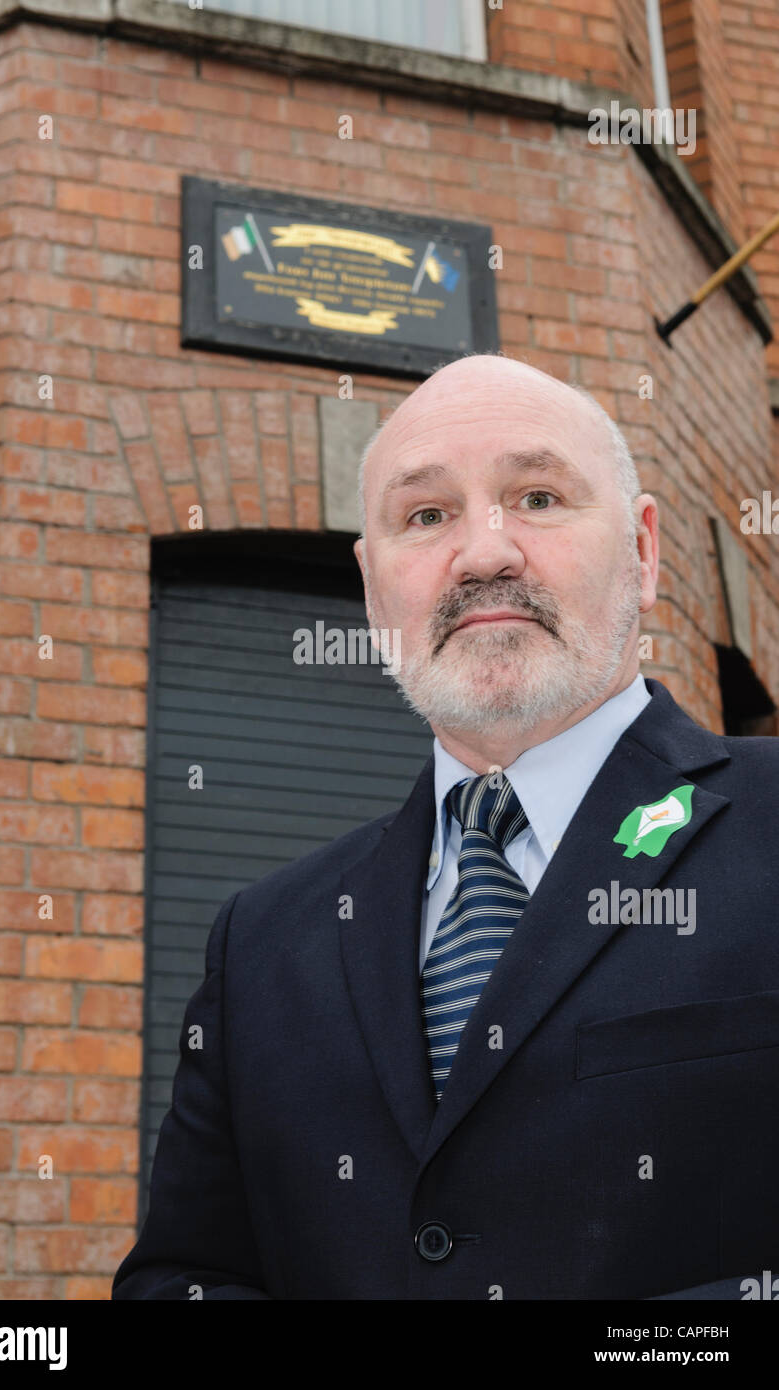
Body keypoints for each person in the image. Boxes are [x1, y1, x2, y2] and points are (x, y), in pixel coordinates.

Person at [113, 353, 779, 1300]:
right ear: (373, 588)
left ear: (641, 549)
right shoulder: (260, 940)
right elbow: (181, 1276)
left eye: (538, 497)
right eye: (426, 516)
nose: (483, 553)